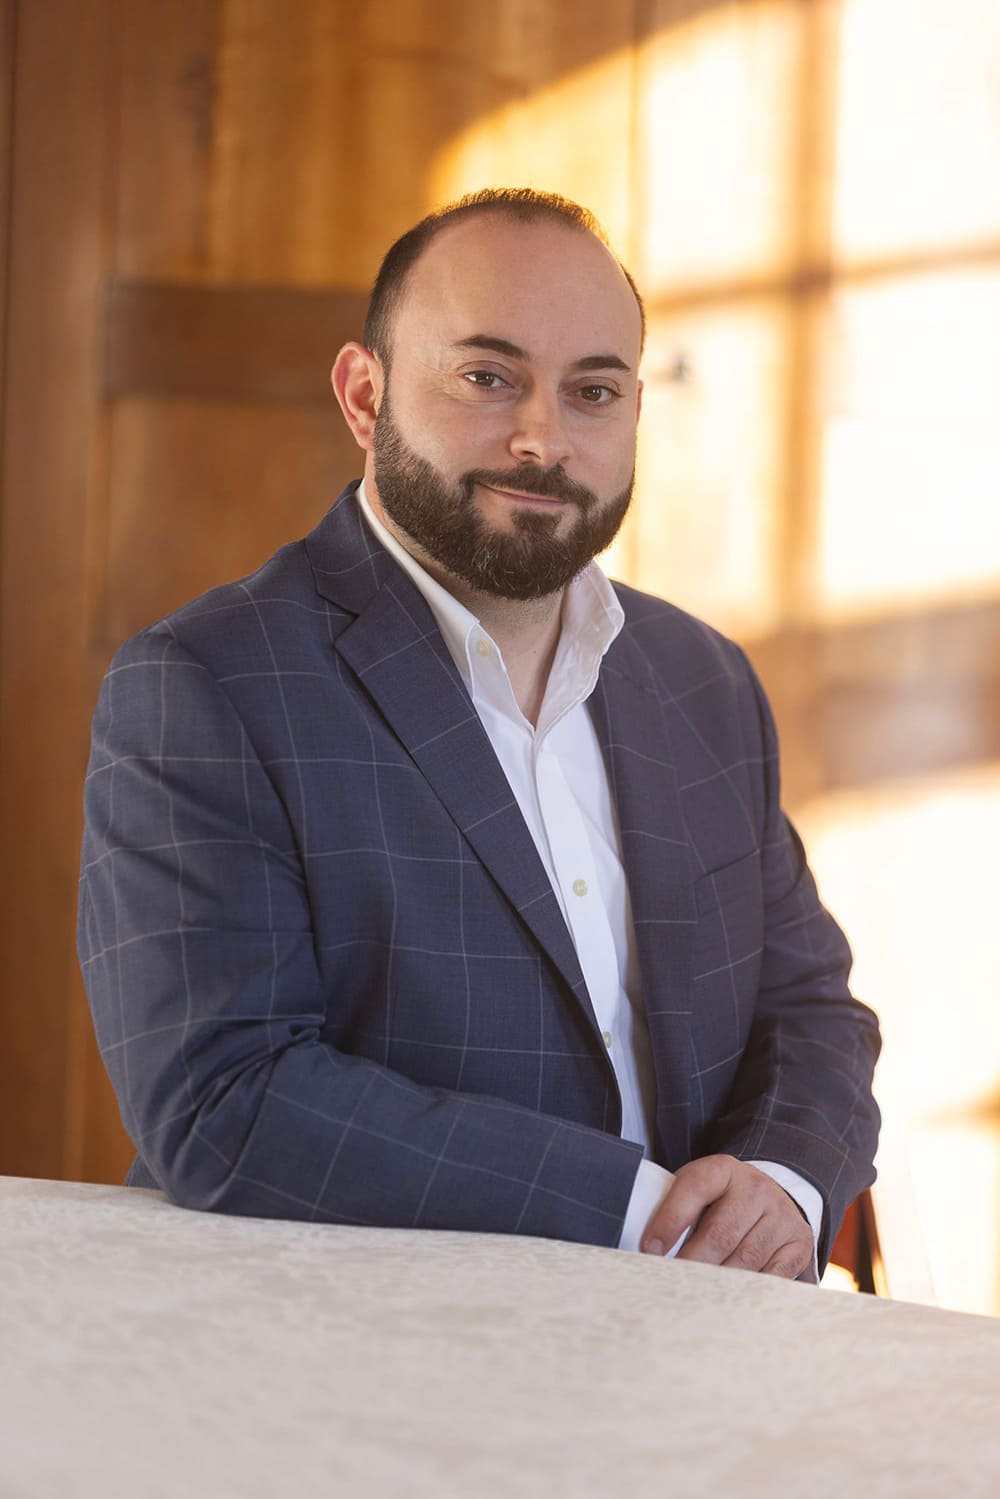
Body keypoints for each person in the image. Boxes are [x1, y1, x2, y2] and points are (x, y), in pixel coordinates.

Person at [78, 188, 880, 1279]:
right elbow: (224, 1099)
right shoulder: (206, 683)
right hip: (346, 1343)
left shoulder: (704, 678)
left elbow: (808, 1005)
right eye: (487, 377)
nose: (542, 438)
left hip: (698, 1337)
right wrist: (646, 1216)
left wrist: (780, 1182)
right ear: (364, 395)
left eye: (592, 390)